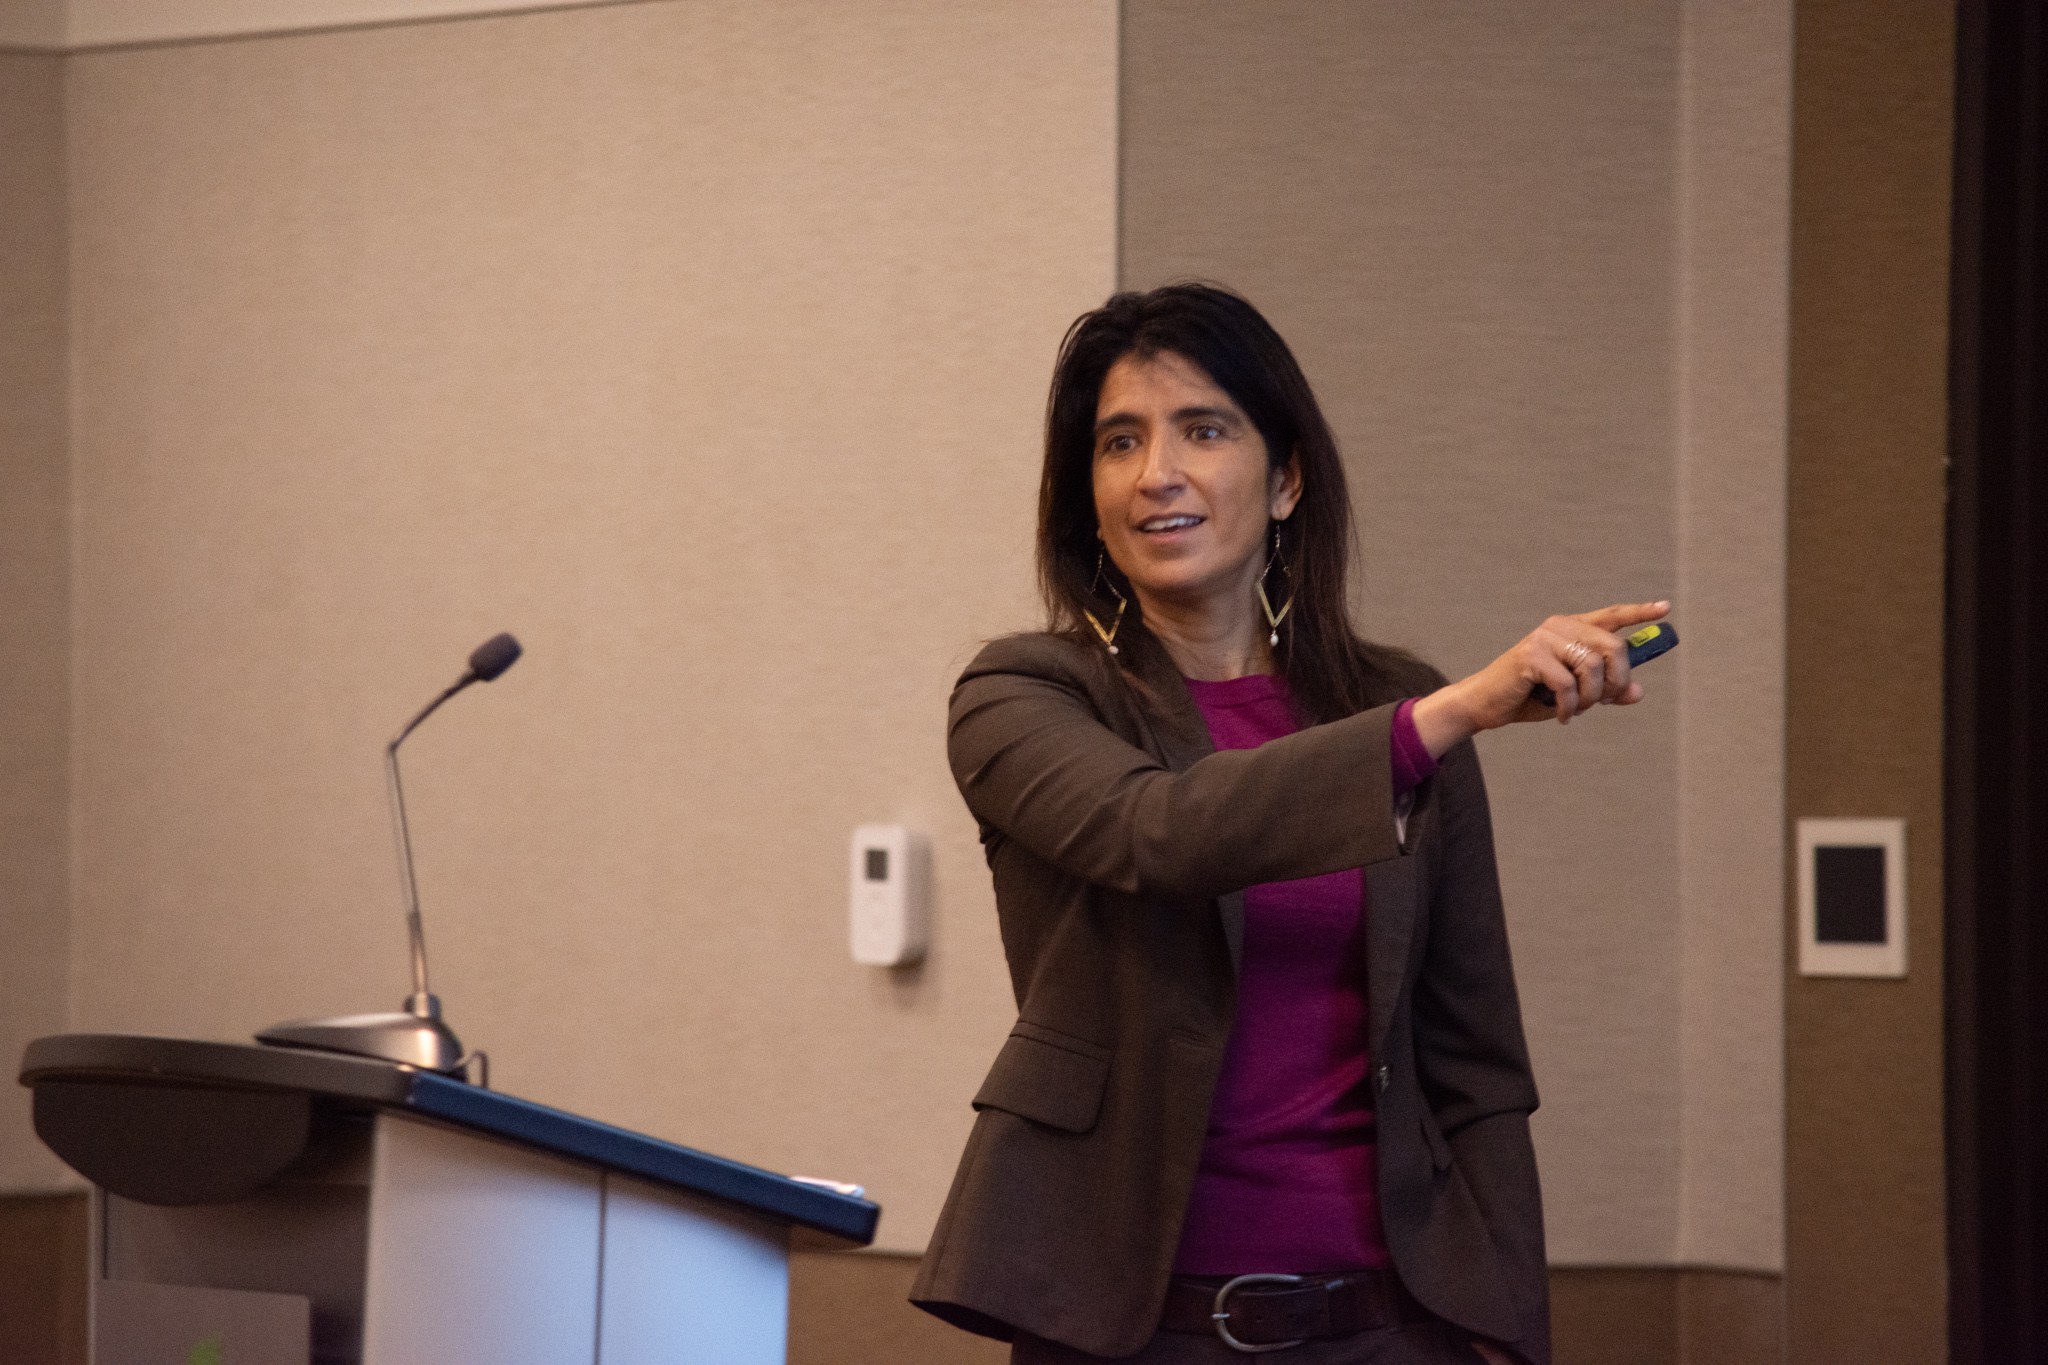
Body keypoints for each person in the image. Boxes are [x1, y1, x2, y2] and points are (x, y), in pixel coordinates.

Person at [910, 283, 1668, 1365]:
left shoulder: (1390, 702)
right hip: (1129, 1329)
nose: (1155, 472)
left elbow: (1475, 1062)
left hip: (1391, 1324)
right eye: (1117, 442)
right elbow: (1155, 830)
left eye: (1202, 429)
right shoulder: (1021, 694)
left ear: (1285, 479)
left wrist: (1507, 1327)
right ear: (1087, 494)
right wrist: (1447, 716)